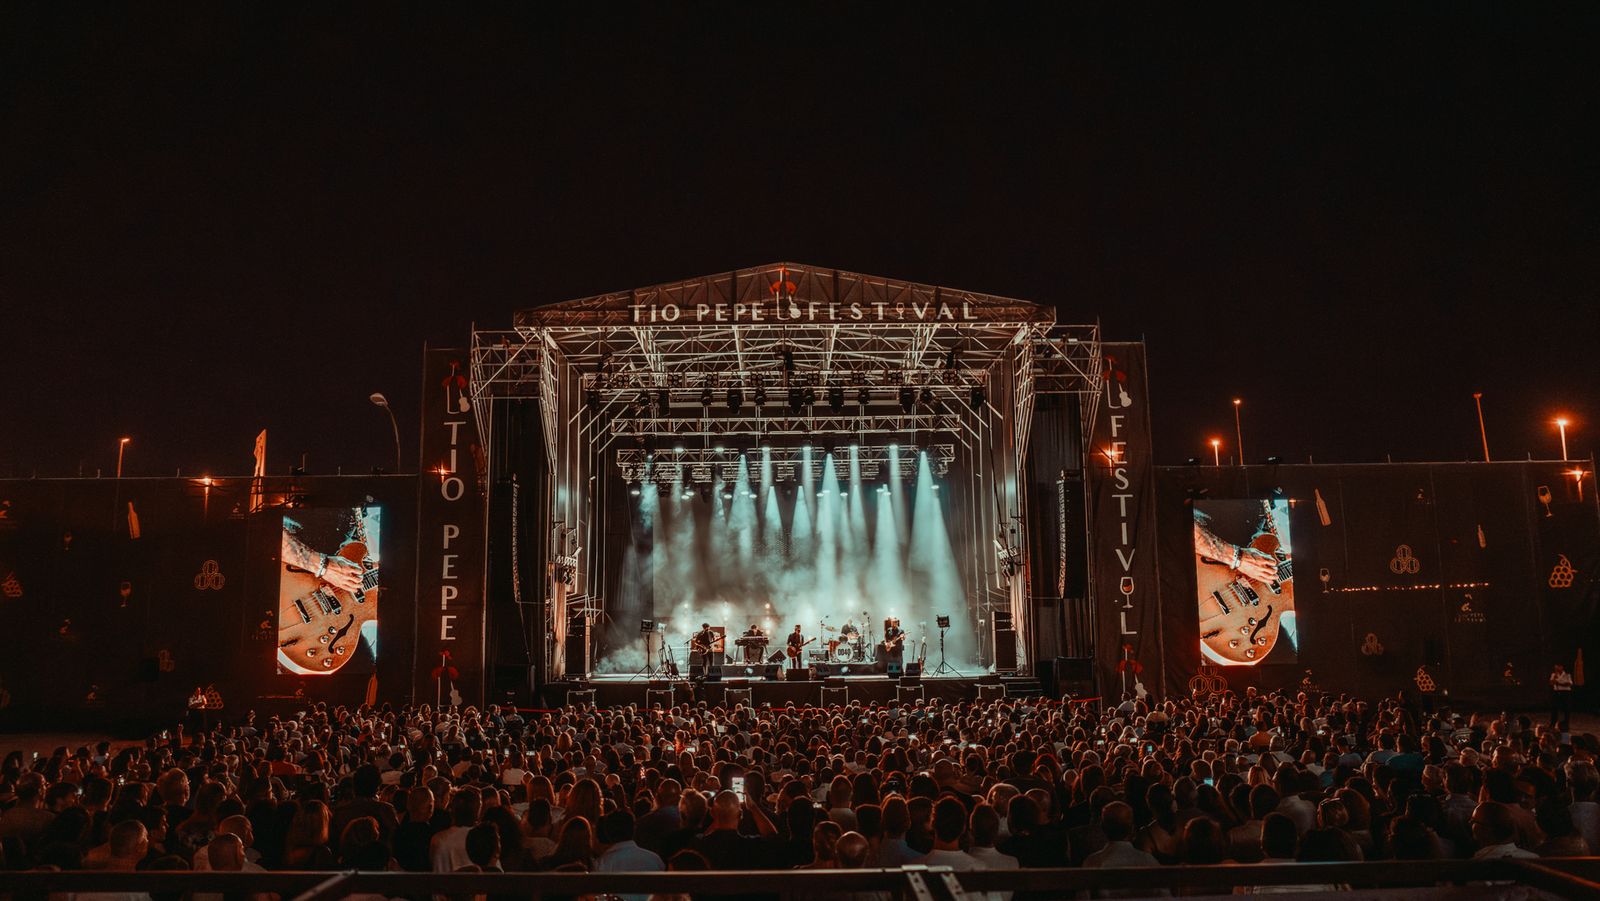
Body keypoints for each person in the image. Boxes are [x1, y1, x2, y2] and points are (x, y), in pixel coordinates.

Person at [1550, 663, 1574, 730]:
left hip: (1565, 693)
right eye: (1556, 667)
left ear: (1562, 667)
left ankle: (1566, 723)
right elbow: (1551, 683)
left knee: (1566, 709)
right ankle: (1553, 723)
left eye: (1558, 667)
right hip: (1556, 692)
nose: (1557, 668)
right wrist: (1555, 680)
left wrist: (1559, 683)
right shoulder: (1554, 675)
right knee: (1554, 708)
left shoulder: (1567, 675)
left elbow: (1569, 684)